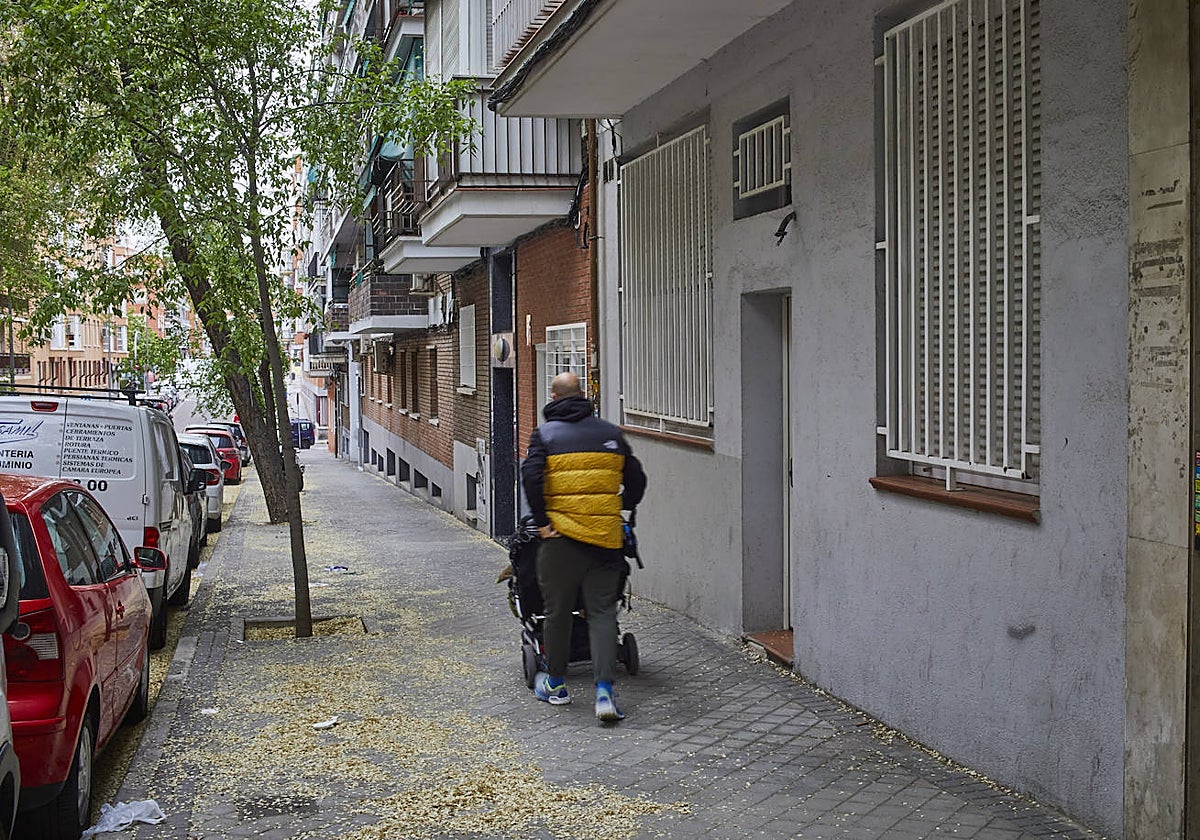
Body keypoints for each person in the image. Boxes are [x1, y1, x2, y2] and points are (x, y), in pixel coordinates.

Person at [521, 371, 646, 723]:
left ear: (553, 396)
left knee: (557, 612)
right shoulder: (610, 433)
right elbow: (636, 479)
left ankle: (557, 685)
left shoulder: (544, 435)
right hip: (606, 540)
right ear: (582, 396)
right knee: (603, 613)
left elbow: (530, 476)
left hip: (561, 541)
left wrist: (543, 523)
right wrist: (622, 506)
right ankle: (604, 693)